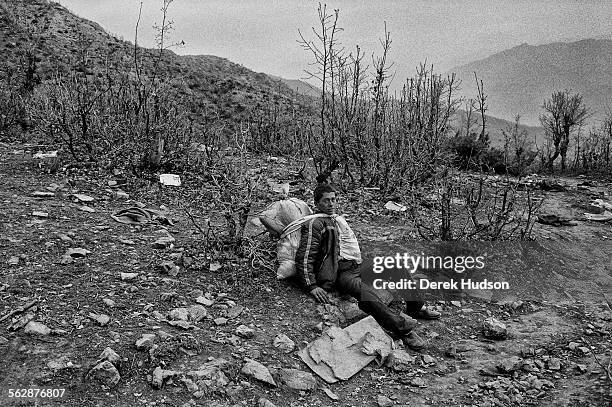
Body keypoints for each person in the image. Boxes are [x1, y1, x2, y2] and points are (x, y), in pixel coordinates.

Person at [294, 184, 440, 350]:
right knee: (366, 293)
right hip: (342, 273)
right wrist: (311, 285)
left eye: (334, 199)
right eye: (326, 201)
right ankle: (403, 330)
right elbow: (305, 256)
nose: (331, 204)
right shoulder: (316, 224)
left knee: (396, 266)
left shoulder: (336, 219)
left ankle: (415, 307)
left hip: (358, 264)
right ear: (317, 203)